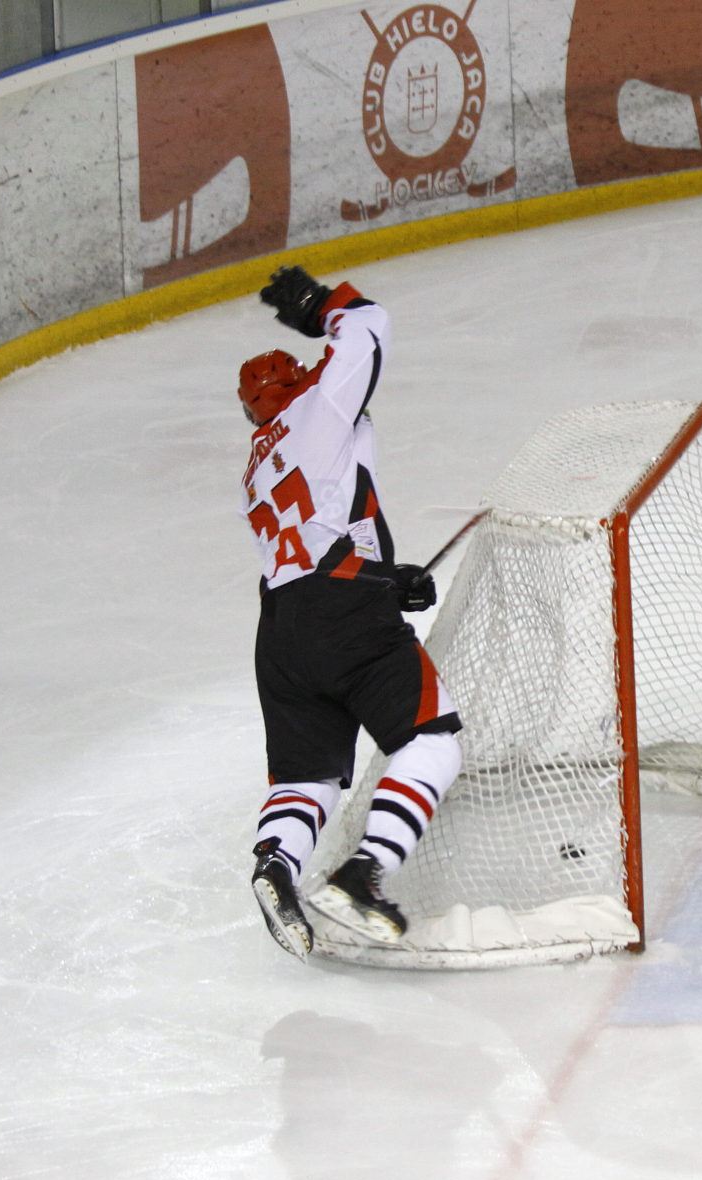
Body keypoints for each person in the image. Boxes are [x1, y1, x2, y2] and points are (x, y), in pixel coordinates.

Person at [239, 265, 464, 958]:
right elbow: (369, 326)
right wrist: (317, 306)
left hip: (280, 631)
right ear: (295, 386)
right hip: (342, 618)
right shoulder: (316, 410)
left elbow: (315, 550)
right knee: (432, 741)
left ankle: (276, 864)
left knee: (308, 777)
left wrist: (385, 578)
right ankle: (363, 874)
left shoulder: (256, 465)